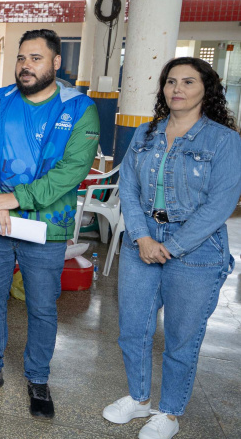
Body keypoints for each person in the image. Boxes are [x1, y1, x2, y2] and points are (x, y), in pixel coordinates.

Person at [102, 57, 241, 439]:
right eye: (170, 82)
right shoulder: (146, 134)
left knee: (181, 337)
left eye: (188, 82)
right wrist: (142, 237)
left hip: (196, 251)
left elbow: (221, 203)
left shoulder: (223, 140)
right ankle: (139, 398)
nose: (177, 89)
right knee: (133, 329)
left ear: (205, 90)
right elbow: (127, 187)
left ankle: (169, 412)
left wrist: (174, 244)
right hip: (142, 241)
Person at [0, 29, 99, 418]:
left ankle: (38, 378)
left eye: (36, 58)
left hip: (47, 227)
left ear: (56, 63)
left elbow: (71, 171)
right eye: (22, 58)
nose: (26, 65)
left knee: (42, 306)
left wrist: (17, 198)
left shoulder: (78, 108)